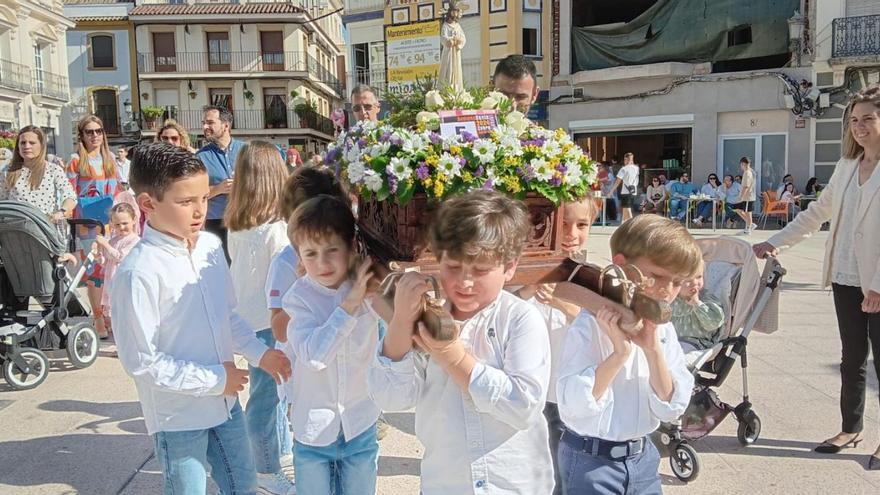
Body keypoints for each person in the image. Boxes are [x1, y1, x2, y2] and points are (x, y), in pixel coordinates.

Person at [110, 143, 292, 494]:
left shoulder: (209, 246)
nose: (199, 211)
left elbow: (228, 314)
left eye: (204, 199)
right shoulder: (138, 273)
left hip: (225, 407)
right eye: (185, 202)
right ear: (148, 205)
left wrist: (260, 353)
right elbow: (141, 362)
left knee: (243, 485)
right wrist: (214, 379)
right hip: (178, 417)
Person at [371, 190, 555, 494]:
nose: (465, 282)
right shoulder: (426, 318)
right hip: (447, 482)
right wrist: (401, 321)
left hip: (512, 485)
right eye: (453, 267)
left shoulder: (521, 319)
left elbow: (524, 406)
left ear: (510, 266)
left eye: (481, 270)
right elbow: (391, 398)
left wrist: (454, 359)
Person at [753, 85, 880, 469]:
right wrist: (774, 242)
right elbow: (815, 215)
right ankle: (851, 427)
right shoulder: (845, 167)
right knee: (852, 358)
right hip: (845, 276)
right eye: (854, 120)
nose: (859, 127)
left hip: (876, 282)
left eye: (868, 119)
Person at [556, 214, 698, 494]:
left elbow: (671, 407)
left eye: (677, 281)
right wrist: (619, 354)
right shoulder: (589, 325)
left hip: (643, 457)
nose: (666, 290)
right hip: (590, 460)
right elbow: (574, 406)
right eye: (656, 276)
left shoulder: (663, 330)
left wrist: (652, 348)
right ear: (623, 267)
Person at [283, 195, 381, 494]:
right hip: (314, 427)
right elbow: (314, 355)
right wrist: (350, 305)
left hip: (359, 420)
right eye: (310, 254)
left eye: (331, 250)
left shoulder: (368, 289)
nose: (322, 263)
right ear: (298, 255)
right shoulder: (299, 298)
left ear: (352, 247)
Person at [224, 141, 296, 495]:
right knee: (267, 398)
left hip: (246, 316)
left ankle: (272, 457)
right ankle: (265, 470)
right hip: (270, 320)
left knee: (266, 393)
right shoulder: (276, 228)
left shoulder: (239, 223)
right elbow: (284, 280)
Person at [516, 196, 598, 495]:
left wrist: (560, 302)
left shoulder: (589, 275)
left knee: (560, 470)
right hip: (528, 385)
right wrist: (529, 288)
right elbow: (505, 310)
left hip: (560, 390)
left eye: (581, 225)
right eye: (563, 224)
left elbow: (594, 322)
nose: (571, 233)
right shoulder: (522, 270)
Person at [67, 115, 123, 338]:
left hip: (110, 222)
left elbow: (117, 191)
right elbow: (69, 193)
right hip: (87, 224)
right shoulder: (75, 160)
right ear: (81, 135)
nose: (95, 136)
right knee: (95, 271)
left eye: (98, 131)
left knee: (111, 269)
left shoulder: (109, 158)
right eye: (89, 132)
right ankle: (98, 317)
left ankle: (107, 315)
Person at [1, 126, 77, 239]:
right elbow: (2, 200)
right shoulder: (8, 171)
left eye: (32, 143)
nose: (27, 146)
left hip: (44, 231)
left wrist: (61, 212)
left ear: (41, 145)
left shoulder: (53, 170)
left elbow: (70, 195)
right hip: (16, 232)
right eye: (23, 143)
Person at [197, 105, 244, 263]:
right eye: (204, 122)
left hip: (244, 218)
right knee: (222, 266)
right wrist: (218, 189)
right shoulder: (201, 157)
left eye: (210, 122)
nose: (205, 127)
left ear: (226, 125)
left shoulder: (246, 151)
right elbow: (195, 194)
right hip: (216, 221)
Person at [92, 203, 140, 333]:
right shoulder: (114, 240)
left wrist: (105, 245)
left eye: (125, 223)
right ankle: (120, 347)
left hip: (125, 283)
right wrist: (98, 254)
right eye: (117, 224)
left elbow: (120, 257)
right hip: (112, 282)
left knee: (126, 317)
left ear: (134, 221)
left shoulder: (134, 240)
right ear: (112, 224)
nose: (122, 227)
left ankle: (127, 346)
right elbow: (106, 262)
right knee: (115, 318)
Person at [671, 263, 725, 351]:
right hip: (671, 340)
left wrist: (697, 304)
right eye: (688, 279)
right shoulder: (671, 299)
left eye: (699, 277)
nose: (695, 282)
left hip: (696, 342)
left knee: (675, 356)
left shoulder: (706, 299)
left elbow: (714, 323)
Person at [439, 2, 465, 91]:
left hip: (456, 52)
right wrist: (449, 41)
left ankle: (457, 89)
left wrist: (459, 42)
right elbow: (443, 37)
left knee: (456, 70)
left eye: (457, 12)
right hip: (448, 52)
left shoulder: (458, 26)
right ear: (450, 12)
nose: (455, 14)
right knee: (448, 69)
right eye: (454, 11)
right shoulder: (445, 26)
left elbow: (463, 38)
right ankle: (447, 88)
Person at [613, 152, 640, 221]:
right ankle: (622, 224)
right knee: (625, 209)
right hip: (634, 191)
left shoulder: (624, 169)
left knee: (627, 210)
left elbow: (617, 181)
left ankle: (631, 225)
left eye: (625, 159)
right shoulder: (637, 168)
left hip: (625, 191)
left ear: (626, 159)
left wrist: (611, 191)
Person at [734, 157, 757, 234]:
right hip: (747, 196)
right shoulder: (750, 172)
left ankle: (748, 229)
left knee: (748, 212)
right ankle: (750, 224)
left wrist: (742, 197)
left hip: (747, 197)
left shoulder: (747, 173)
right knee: (737, 209)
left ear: (742, 164)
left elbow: (746, 186)